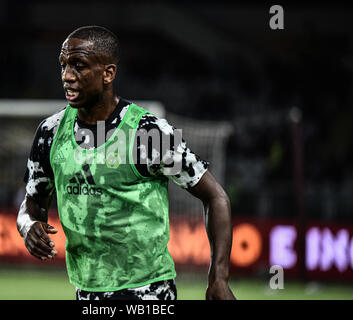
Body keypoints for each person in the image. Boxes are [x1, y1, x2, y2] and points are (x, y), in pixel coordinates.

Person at [17, 25, 235, 300]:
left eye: (79, 66)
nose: (67, 76)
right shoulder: (50, 133)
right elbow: (31, 204)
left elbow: (216, 197)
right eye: (63, 65)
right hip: (87, 293)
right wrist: (28, 226)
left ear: (108, 73)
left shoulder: (148, 132)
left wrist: (218, 278)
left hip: (148, 293)